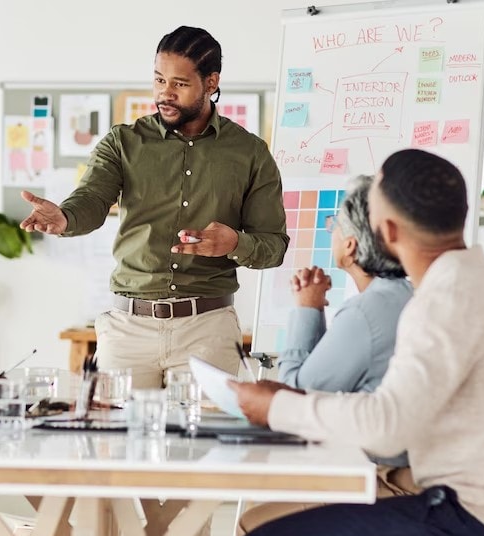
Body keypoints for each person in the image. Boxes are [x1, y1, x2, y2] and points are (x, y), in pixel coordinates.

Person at [232, 149, 484, 536]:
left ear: (387, 232)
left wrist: (276, 406)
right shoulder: (482, 281)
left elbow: (386, 425)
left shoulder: (443, 299)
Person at [19, 25, 288, 390]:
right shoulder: (123, 142)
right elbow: (93, 200)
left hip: (207, 330)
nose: (165, 93)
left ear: (211, 83)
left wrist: (234, 244)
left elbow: (273, 246)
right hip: (128, 330)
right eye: (159, 79)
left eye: (179, 83)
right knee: (120, 441)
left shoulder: (250, 153)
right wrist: (65, 217)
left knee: (199, 443)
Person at [237, 175, 416, 536]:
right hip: (412, 474)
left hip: (390, 484)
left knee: (255, 528)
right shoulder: (404, 295)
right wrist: (314, 309)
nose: (329, 230)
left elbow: (291, 399)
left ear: (350, 246)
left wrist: (305, 308)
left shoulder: (368, 312)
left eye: (334, 225)